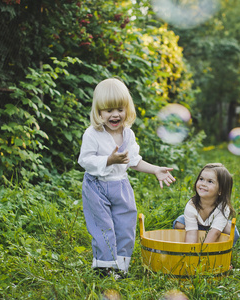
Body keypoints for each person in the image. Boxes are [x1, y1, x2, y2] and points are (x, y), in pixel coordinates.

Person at [78, 77, 175, 278]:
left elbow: (134, 160)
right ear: (99, 112)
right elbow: (85, 160)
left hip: (120, 186)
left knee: (126, 225)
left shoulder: (128, 134)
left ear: (127, 110)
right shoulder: (92, 134)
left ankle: (120, 268)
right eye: (108, 110)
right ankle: (105, 269)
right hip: (96, 187)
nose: (115, 115)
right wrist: (109, 160)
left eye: (120, 109)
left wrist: (155, 169)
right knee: (104, 227)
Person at [173, 163, 239, 245]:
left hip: (217, 228)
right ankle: (196, 238)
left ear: (220, 190)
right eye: (201, 179)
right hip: (198, 225)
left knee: (231, 232)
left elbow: (215, 233)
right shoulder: (191, 205)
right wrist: (190, 251)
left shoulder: (223, 207)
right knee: (180, 222)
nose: (203, 184)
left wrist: (203, 252)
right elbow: (191, 233)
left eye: (210, 181)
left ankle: (223, 246)